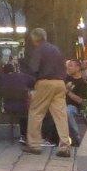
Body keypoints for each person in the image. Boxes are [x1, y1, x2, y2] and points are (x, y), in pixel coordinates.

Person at [22, 27, 72, 158]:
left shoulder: (39, 50)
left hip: (44, 82)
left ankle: (34, 145)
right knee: (60, 115)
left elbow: (34, 69)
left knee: (36, 112)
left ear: (34, 38)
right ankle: (65, 146)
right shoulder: (56, 49)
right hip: (60, 83)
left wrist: (31, 84)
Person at [63, 58, 87, 147]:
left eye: (71, 66)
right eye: (68, 66)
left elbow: (81, 100)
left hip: (73, 107)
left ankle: (76, 138)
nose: (68, 68)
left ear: (78, 68)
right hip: (61, 104)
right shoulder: (66, 79)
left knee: (68, 111)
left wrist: (68, 92)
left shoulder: (82, 83)